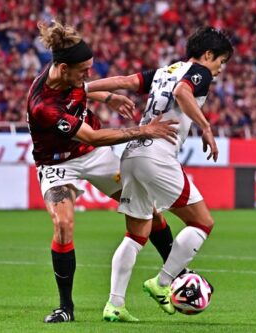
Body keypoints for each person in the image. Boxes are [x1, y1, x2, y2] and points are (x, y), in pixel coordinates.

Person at [27, 21, 179, 323]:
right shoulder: (43, 105)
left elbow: (84, 90)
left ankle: (177, 275)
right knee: (63, 224)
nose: (88, 75)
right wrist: (144, 130)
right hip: (58, 164)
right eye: (83, 70)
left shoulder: (64, 77)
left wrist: (108, 97)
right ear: (61, 67)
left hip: (94, 157)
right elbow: (93, 136)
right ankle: (65, 307)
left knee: (147, 207)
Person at [87, 27, 233, 321]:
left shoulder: (166, 70)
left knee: (136, 234)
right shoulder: (199, 72)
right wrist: (205, 126)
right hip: (157, 155)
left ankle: (115, 304)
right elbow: (182, 92)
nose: (220, 68)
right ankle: (162, 282)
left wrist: (83, 88)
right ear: (207, 55)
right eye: (221, 60)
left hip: (131, 154)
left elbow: (126, 81)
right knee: (202, 222)